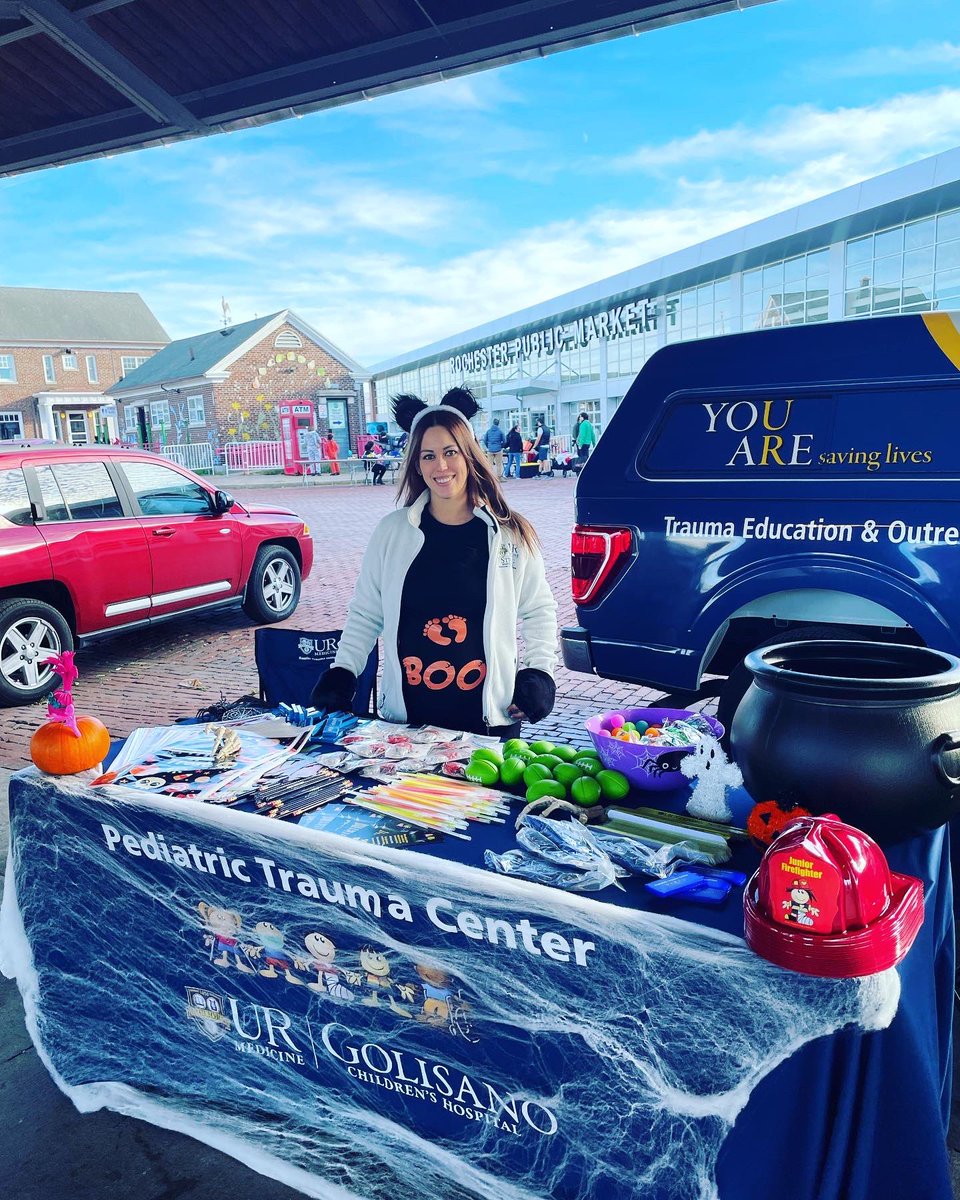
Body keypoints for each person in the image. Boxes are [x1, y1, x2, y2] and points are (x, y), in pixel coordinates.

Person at [311, 387, 557, 737]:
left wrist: (538, 673)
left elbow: (539, 609)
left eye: (450, 452)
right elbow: (366, 613)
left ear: (469, 456)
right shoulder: (392, 532)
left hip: (487, 721)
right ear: (416, 463)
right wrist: (343, 672)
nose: (440, 466)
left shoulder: (509, 533)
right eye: (428, 456)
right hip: (407, 724)